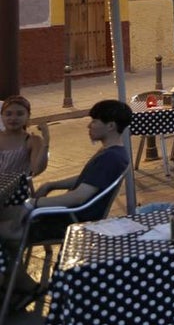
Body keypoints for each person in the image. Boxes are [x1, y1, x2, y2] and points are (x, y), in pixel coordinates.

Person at [0, 100, 131, 303]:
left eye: (94, 122)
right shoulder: (113, 152)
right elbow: (85, 180)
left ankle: (23, 286)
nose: (89, 126)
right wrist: (53, 184)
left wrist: (33, 204)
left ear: (111, 125)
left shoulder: (110, 158)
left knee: (4, 231)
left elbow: (79, 196)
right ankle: (18, 282)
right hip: (69, 213)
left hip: (70, 220)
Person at [0, 97, 50, 179]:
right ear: (2, 116)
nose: (13, 118)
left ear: (28, 116)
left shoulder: (32, 141)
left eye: (20, 114)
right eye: (8, 114)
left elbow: (37, 169)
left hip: (19, 189)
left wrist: (46, 142)